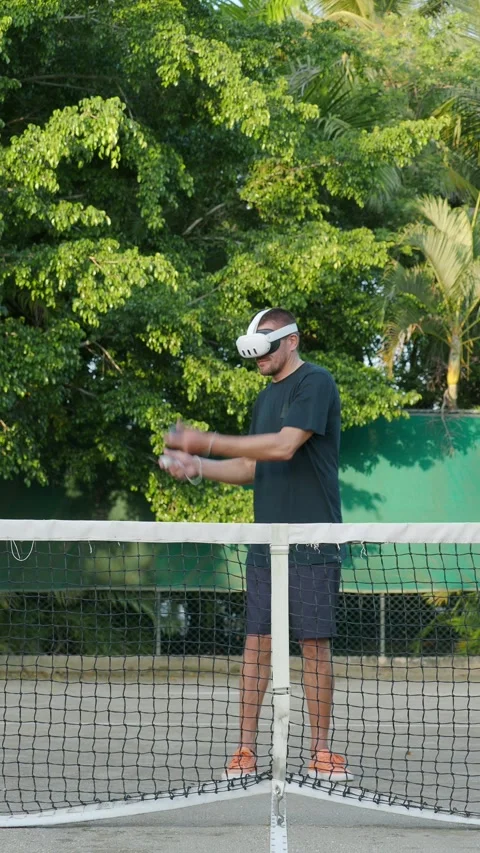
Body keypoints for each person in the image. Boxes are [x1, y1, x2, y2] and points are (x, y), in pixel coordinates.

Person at [159, 307, 352, 782]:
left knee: (313, 646)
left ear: (291, 340)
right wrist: (198, 468)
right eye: (253, 344)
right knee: (257, 646)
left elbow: (285, 446)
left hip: (312, 541)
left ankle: (321, 752)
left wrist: (206, 442)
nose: (258, 353)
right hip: (268, 544)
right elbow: (252, 468)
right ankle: (244, 751)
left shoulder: (316, 382)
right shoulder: (265, 399)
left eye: (266, 341)